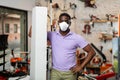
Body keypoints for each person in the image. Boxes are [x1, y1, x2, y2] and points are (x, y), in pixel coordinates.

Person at [47, 13, 96, 80]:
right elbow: (31, 34)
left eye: (66, 21)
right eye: (61, 21)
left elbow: (92, 52)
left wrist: (81, 67)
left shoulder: (76, 38)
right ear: (58, 22)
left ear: (69, 23)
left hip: (70, 73)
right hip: (55, 72)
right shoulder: (51, 35)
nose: (63, 23)